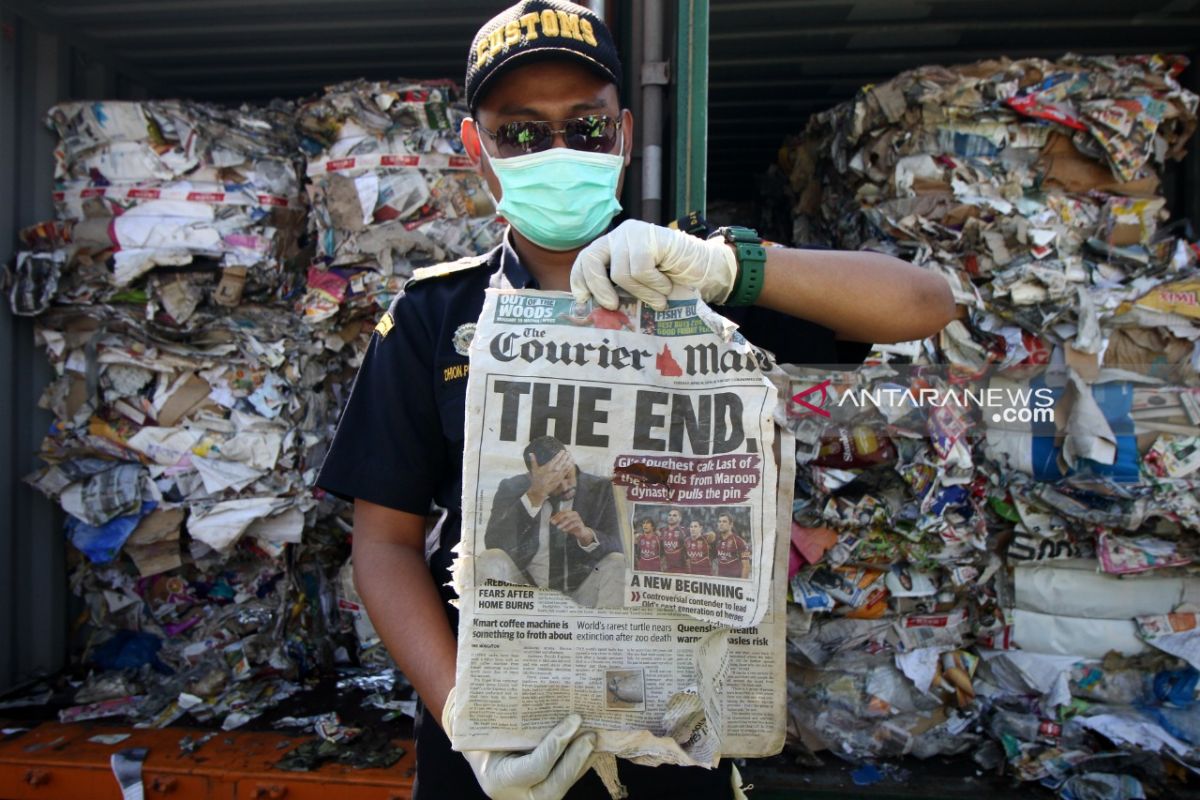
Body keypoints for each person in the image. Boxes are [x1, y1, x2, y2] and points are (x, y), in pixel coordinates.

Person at [316, 2, 956, 798]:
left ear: (620, 133)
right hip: (497, 762)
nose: (556, 150)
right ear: (475, 148)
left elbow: (926, 303)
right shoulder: (431, 318)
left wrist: (727, 267)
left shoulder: (695, 278)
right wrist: (465, 721)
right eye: (520, 131)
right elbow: (383, 545)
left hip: (678, 756)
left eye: (583, 127)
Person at [481, 436, 624, 607]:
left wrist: (586, 534)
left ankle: (605, 632)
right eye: (553, 481)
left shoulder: (601, 488)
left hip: (583, 595)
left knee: (617, 562)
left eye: (567, 475)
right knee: (491, 558)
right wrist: (535, 495)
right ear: (533, 475)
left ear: (570, 461)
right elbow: (494, 542)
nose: (564, 486)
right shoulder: (512, 488)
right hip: (528, 596)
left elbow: (619, 547)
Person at [714, 511, 751, 580]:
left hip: (734, 582)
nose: (721, 524)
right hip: (721, 581)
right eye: (719, 521)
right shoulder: (717, 540)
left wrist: (742, 584)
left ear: (731, 524)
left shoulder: (739, 542)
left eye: (724, 521)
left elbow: (746, 566)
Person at [658, 507, 687, 573]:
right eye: (669, 515)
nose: (671, 517)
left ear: (680, 518)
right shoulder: (661, 530)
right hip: (666, 568)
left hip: (680, 569)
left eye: (674, 515)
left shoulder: (685, 531)